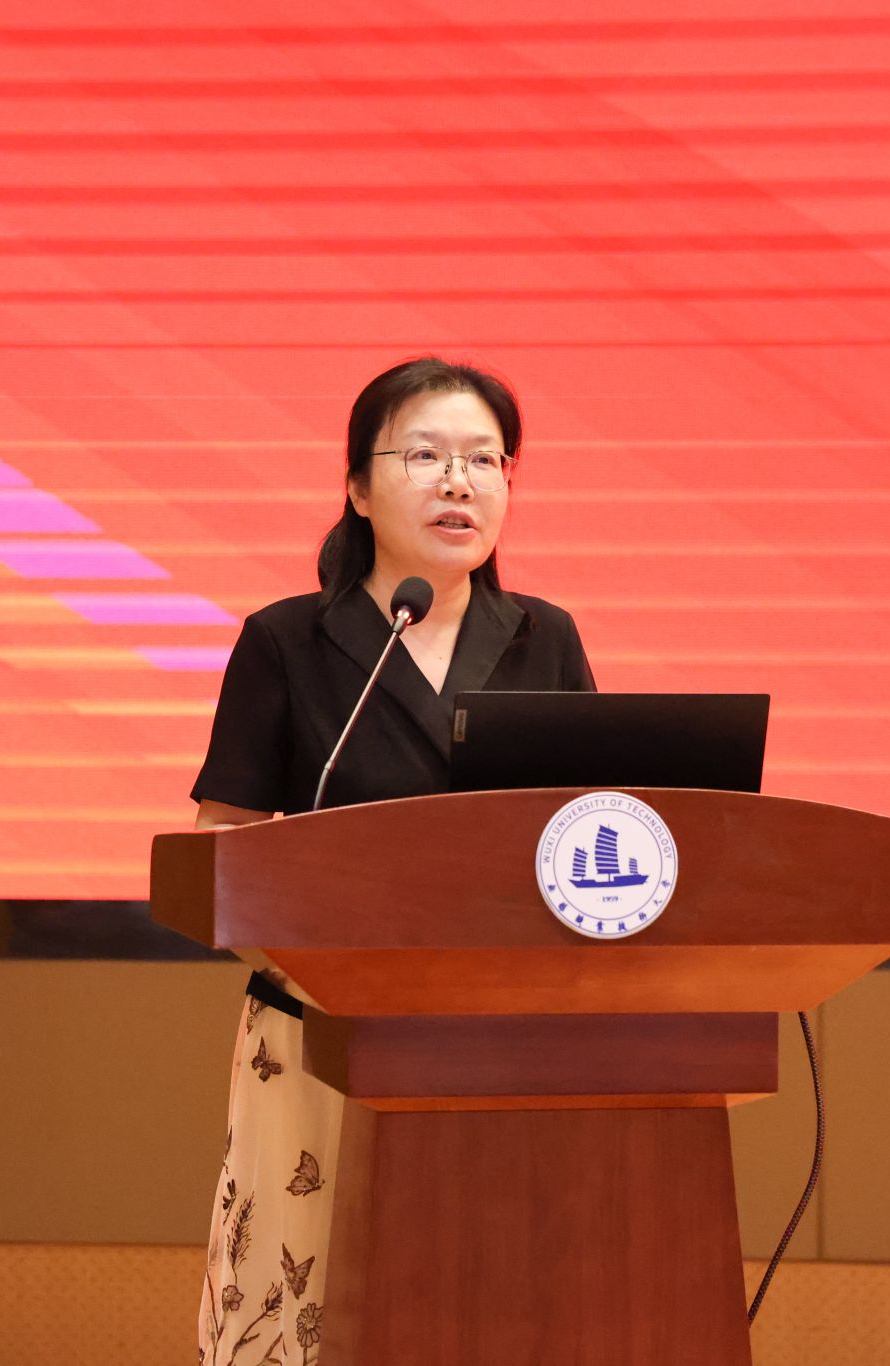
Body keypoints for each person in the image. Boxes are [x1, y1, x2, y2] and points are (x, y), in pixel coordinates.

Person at [188, 357, 595, 1365]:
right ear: (358, 489)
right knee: (310, 1304)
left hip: (502, 1043)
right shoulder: (287, 641)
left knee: (486, 1307)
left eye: (485, 460)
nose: (459, 482)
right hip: (319, 1036)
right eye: (425, 456)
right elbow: (221, 845)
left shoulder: (544, 640)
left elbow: (591, 832)